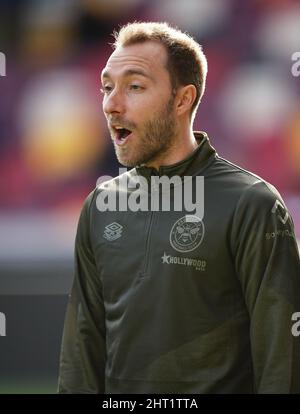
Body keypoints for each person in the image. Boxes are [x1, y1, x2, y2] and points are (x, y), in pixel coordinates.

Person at [58, 21, 300, 394]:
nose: (111, 104)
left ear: (182, 99)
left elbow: (283, 359)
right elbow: (81, 350)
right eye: (107, 87)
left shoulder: (252, 203)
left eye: (134, 87)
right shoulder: (101, 205)